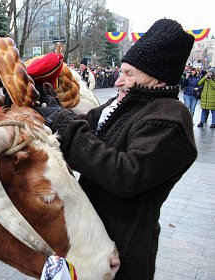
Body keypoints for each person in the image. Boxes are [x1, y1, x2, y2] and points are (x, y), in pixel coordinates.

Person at [34, 19, 197, 279]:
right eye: (121, 72)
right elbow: (83, 127)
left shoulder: (170, 119)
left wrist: (64, 124)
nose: (119, 81)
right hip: (89, 233)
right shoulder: (125, 101)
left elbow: (125, 175)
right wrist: (49, 109)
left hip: (124, 245)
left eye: (129, 73)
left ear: (156, 78)